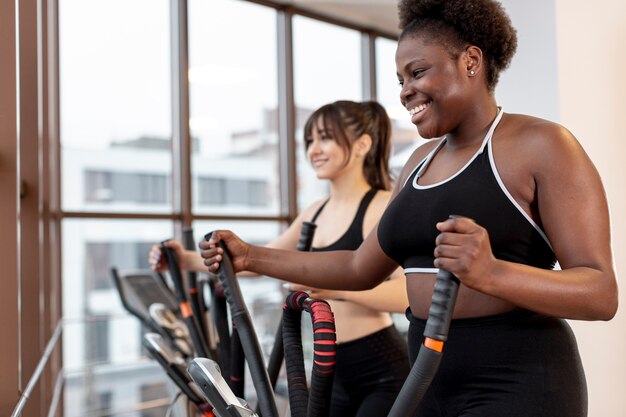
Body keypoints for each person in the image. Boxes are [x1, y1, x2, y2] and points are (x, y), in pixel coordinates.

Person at [199, 1, 619, 416]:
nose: (404, 92)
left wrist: (493, 273)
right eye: (400, 79)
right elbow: (357, 268)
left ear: (471, 61)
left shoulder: (542, 144)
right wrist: (252, 256)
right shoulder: (418, 162)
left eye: (417, 72)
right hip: (425, 382)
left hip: (518, 381)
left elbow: (600, 294)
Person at [150, 100, 411, 417]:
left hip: (380, 368)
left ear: (362, 145)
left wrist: (335, 290)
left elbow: (407, 294)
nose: (314, 149)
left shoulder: (380, 206)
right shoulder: (315, 211)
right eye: (310, 140)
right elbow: (254, 262)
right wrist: (182, 259)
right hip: (330, 370)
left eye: (325, 137)